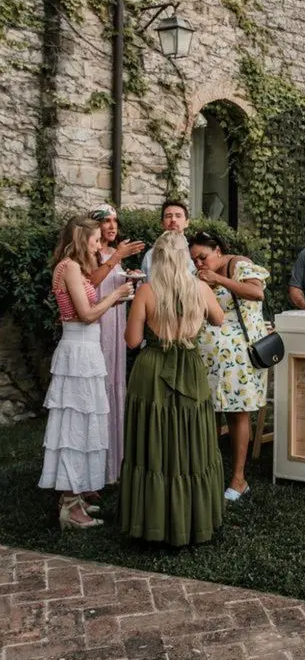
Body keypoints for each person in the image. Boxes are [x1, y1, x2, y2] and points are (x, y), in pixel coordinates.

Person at [119, 231, 225, 546]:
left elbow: (132, 341)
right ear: (185, 258)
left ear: (156, 259)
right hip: (190, 368)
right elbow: (219, 319)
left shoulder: (146, 291)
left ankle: (152, 522)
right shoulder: (201, 289)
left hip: (152, 370)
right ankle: (193, 521)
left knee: (153, 440)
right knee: (191, 440)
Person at [39, 217, 133, 529]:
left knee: (83, 423)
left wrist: (114, 297)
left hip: (85, 350)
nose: (97, 245)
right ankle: (69, 507)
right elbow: (87, 314)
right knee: (75, 427)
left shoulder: (74, 268)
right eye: (94, 239)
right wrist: (116, 296)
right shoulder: (69, 267)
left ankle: (75, 497)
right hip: (78, 351)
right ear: (81, 239)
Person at [188, 230, 270, 502]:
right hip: (210, 358)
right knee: (209, 413)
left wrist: (219, 279)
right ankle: (208, 474)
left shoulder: (239, 265)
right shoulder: (201, 276)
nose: (199, 263)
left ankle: (238, 479)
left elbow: (257, 293)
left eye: (203, 257)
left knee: (237, 414)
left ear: (218, 251)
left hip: (240, 358)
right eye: (194, 260)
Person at [87, 204, 145, 484]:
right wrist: (117, 257)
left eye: (114, 221)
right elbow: (90, 283)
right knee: (98, 388)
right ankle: (95, 467)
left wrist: (130, 279)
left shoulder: (113, 253)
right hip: (96, 326)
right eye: (106, 221)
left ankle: (114, 464)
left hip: (116, 323)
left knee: (114, 386)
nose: (112, 226)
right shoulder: (90, 253)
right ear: (93, 226)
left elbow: (114, 289)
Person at [140, 200, 195, 281]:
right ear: (162, 223)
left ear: (187, 222)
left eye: (178, 216)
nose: (173, 220)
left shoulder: (194, 253)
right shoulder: (150, 256)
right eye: (168, 216)